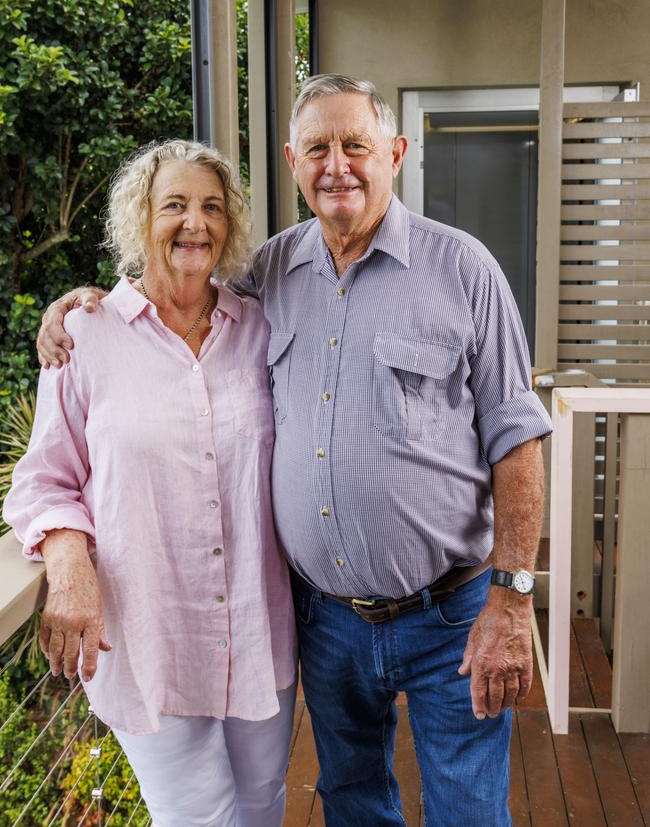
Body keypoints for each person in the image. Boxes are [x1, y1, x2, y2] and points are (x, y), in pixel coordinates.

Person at [37, 75, 553, 827]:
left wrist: (512, 595)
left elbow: (517, 437)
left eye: (356, 144)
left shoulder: (464, 269)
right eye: (319, 147)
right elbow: (172, 289)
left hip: (454, 613)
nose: (337, 163)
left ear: (396, 153)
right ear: (292, 160)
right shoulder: (268, 276)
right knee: (352, 802)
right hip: (329, 622)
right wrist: (72, 304)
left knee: (469, 810)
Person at [5, 140, 297, 827]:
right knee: (193, 817)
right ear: (141, 219)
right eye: (175, 205)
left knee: (261, 805)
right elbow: (44, 478)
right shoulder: (85, 333)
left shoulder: (260, 326)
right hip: (148, 635)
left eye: (212, 207)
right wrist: (70, 565)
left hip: (257, 630)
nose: (195, 222)